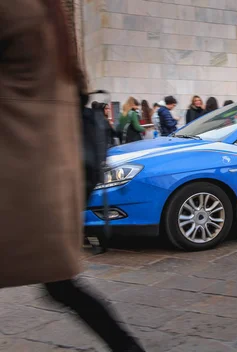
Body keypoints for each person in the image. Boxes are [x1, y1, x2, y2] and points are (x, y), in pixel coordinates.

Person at [0, 1, 145, 350]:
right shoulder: (54, 21)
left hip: (14, 183)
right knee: (61, 286)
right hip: (50, 183)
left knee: (61, 286)